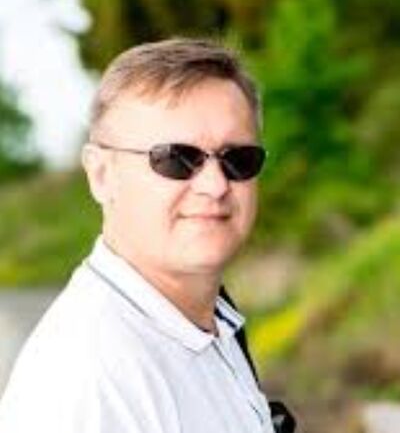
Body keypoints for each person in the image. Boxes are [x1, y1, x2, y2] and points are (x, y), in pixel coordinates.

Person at [0, 38, 290, 432]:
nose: (215, 185)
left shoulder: (203, 327)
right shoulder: (90, 383)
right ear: (102, 175)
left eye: (238, 159)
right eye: (176, 159)